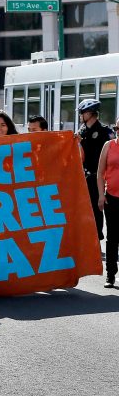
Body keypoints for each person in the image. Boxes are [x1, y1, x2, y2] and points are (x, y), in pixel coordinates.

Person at [79, 98, 113, 241]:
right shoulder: (82, 131)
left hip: (96, 178)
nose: (80, 116)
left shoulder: (105, 132)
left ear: (90, 113)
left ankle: (96, 238)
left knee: (96, 211)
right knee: (82, 210)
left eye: (82, 113)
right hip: (82, 177)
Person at [97, 121, 119, 288]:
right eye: (117, 128)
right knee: (112, 238)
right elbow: (100, 172)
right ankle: (110, 275)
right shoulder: (109, 145)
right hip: (111, 197)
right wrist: (100, 195)